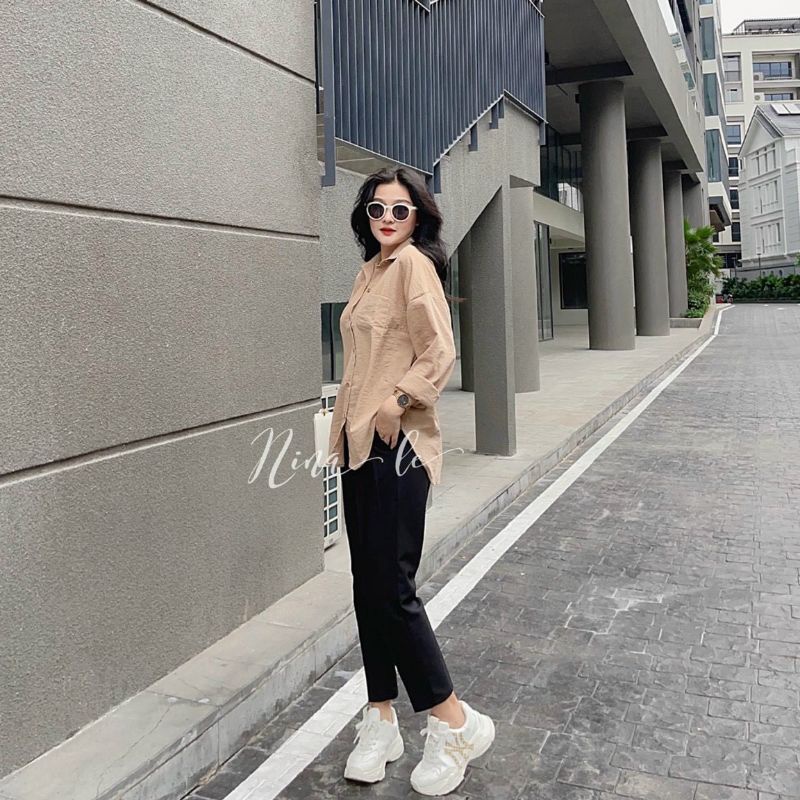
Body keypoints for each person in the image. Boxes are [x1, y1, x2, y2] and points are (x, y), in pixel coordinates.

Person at [326, 166, 495, 796]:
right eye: (377, 209)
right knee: (367, 586)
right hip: (357, 445)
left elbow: (439, 349)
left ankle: (454, 722)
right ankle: (380, 719)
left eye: (400, 210)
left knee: (393, 588)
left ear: (417, 216)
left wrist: (397, 403)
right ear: (365, 217)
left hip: (397, 447)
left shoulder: (414, 268)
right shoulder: (369, 272)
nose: (388, 219)